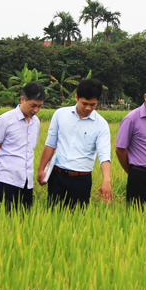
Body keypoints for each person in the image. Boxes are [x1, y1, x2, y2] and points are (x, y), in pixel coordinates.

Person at [37, 78, 112, 207]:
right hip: (57, 176)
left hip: (81, 179)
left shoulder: (101, 124)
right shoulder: (60, 114)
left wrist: (107, 180)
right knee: (52, 217)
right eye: (84, 103)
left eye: (92, 104)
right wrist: (41, 169)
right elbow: (50, 144)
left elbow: (104, 154)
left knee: (77, 221)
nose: (88, 108)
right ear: (76, 97)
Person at [0, 82, 45, 211]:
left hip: (27, 182)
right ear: (23, 99)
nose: (36, 110)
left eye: (39, 106)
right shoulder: (5, 120)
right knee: (2, 223)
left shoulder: (36, 122)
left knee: (23, 223)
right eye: (33, 105)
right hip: (6, 180)